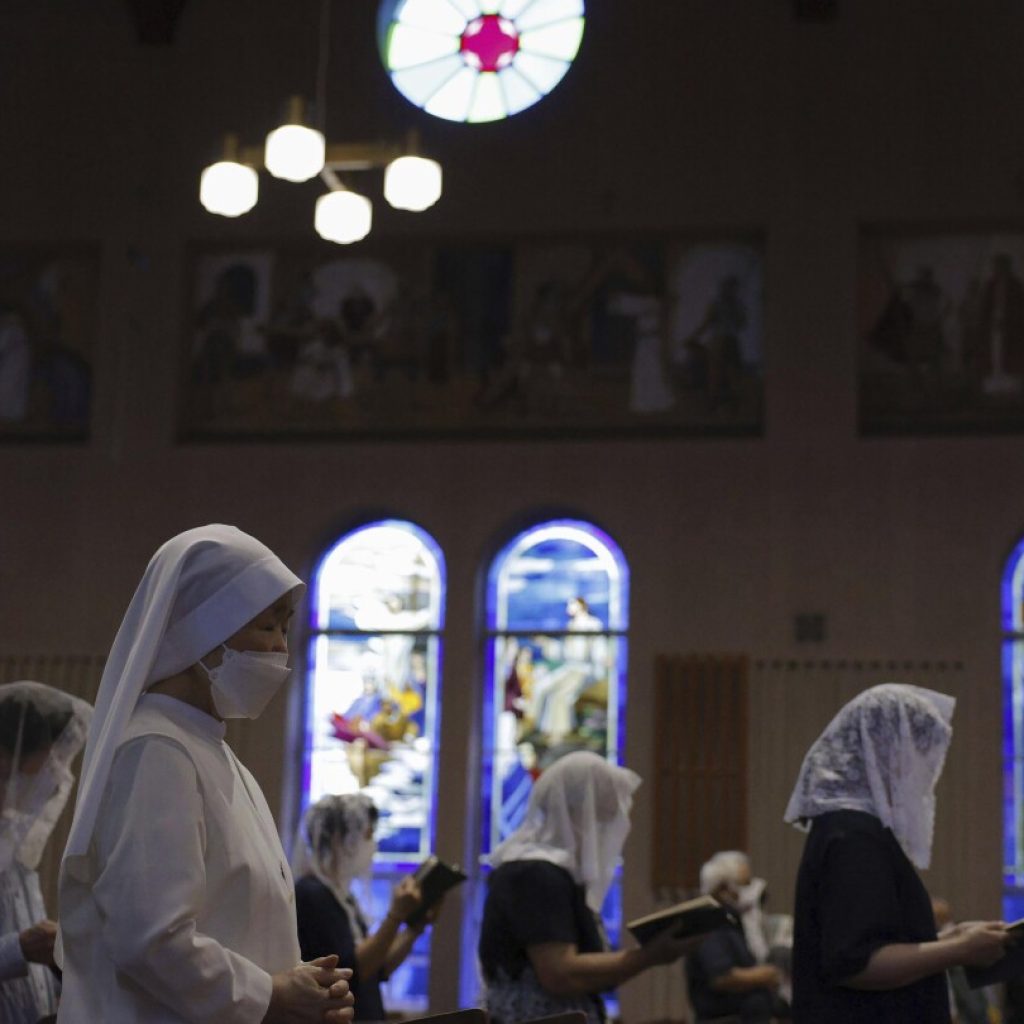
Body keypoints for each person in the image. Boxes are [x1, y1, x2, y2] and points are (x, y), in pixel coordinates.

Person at [56, 524, 355, 1023]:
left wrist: (303, 989)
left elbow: (234, 924)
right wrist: (272, 995)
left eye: (286, 626)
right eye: (268, 625)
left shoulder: (215, 754)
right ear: (204, 628)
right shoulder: (156, 747)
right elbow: (150, 936)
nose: (281, 647)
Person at [784, 683, 1007, 1023]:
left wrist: (951, 938)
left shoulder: (854, 829)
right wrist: (959, 950)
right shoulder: (853, 835)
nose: (921, 775)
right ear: (882, 752)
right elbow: (857, 963)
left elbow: (876, 940)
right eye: (915, 756)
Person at [478, 750, 701, 1024]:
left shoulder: (555, 872)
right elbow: (559, 973)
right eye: (599, 819)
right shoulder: (534, 872)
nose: (602, 834)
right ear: (573, 812)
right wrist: (647, 956)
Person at [292, 793, 437, 1021]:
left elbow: (379, 967)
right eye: (367, 836)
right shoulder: (312, 894)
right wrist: (395, 915)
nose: (372, 846)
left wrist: (414, 928)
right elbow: (355, 969)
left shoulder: (343, 897)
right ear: (342, 839)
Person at [0, 681, 91, 1024]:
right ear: (6, 759)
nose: (57, 775)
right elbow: (18, 947)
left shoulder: (15, 843)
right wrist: (19, 948)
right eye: (49, 759)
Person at [685, 853, 787, 1023]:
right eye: (745, 884)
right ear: (723, 888)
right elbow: (722, 977)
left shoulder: (733, 922)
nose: (752, 889)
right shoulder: (710, 923)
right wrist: (766, 975)